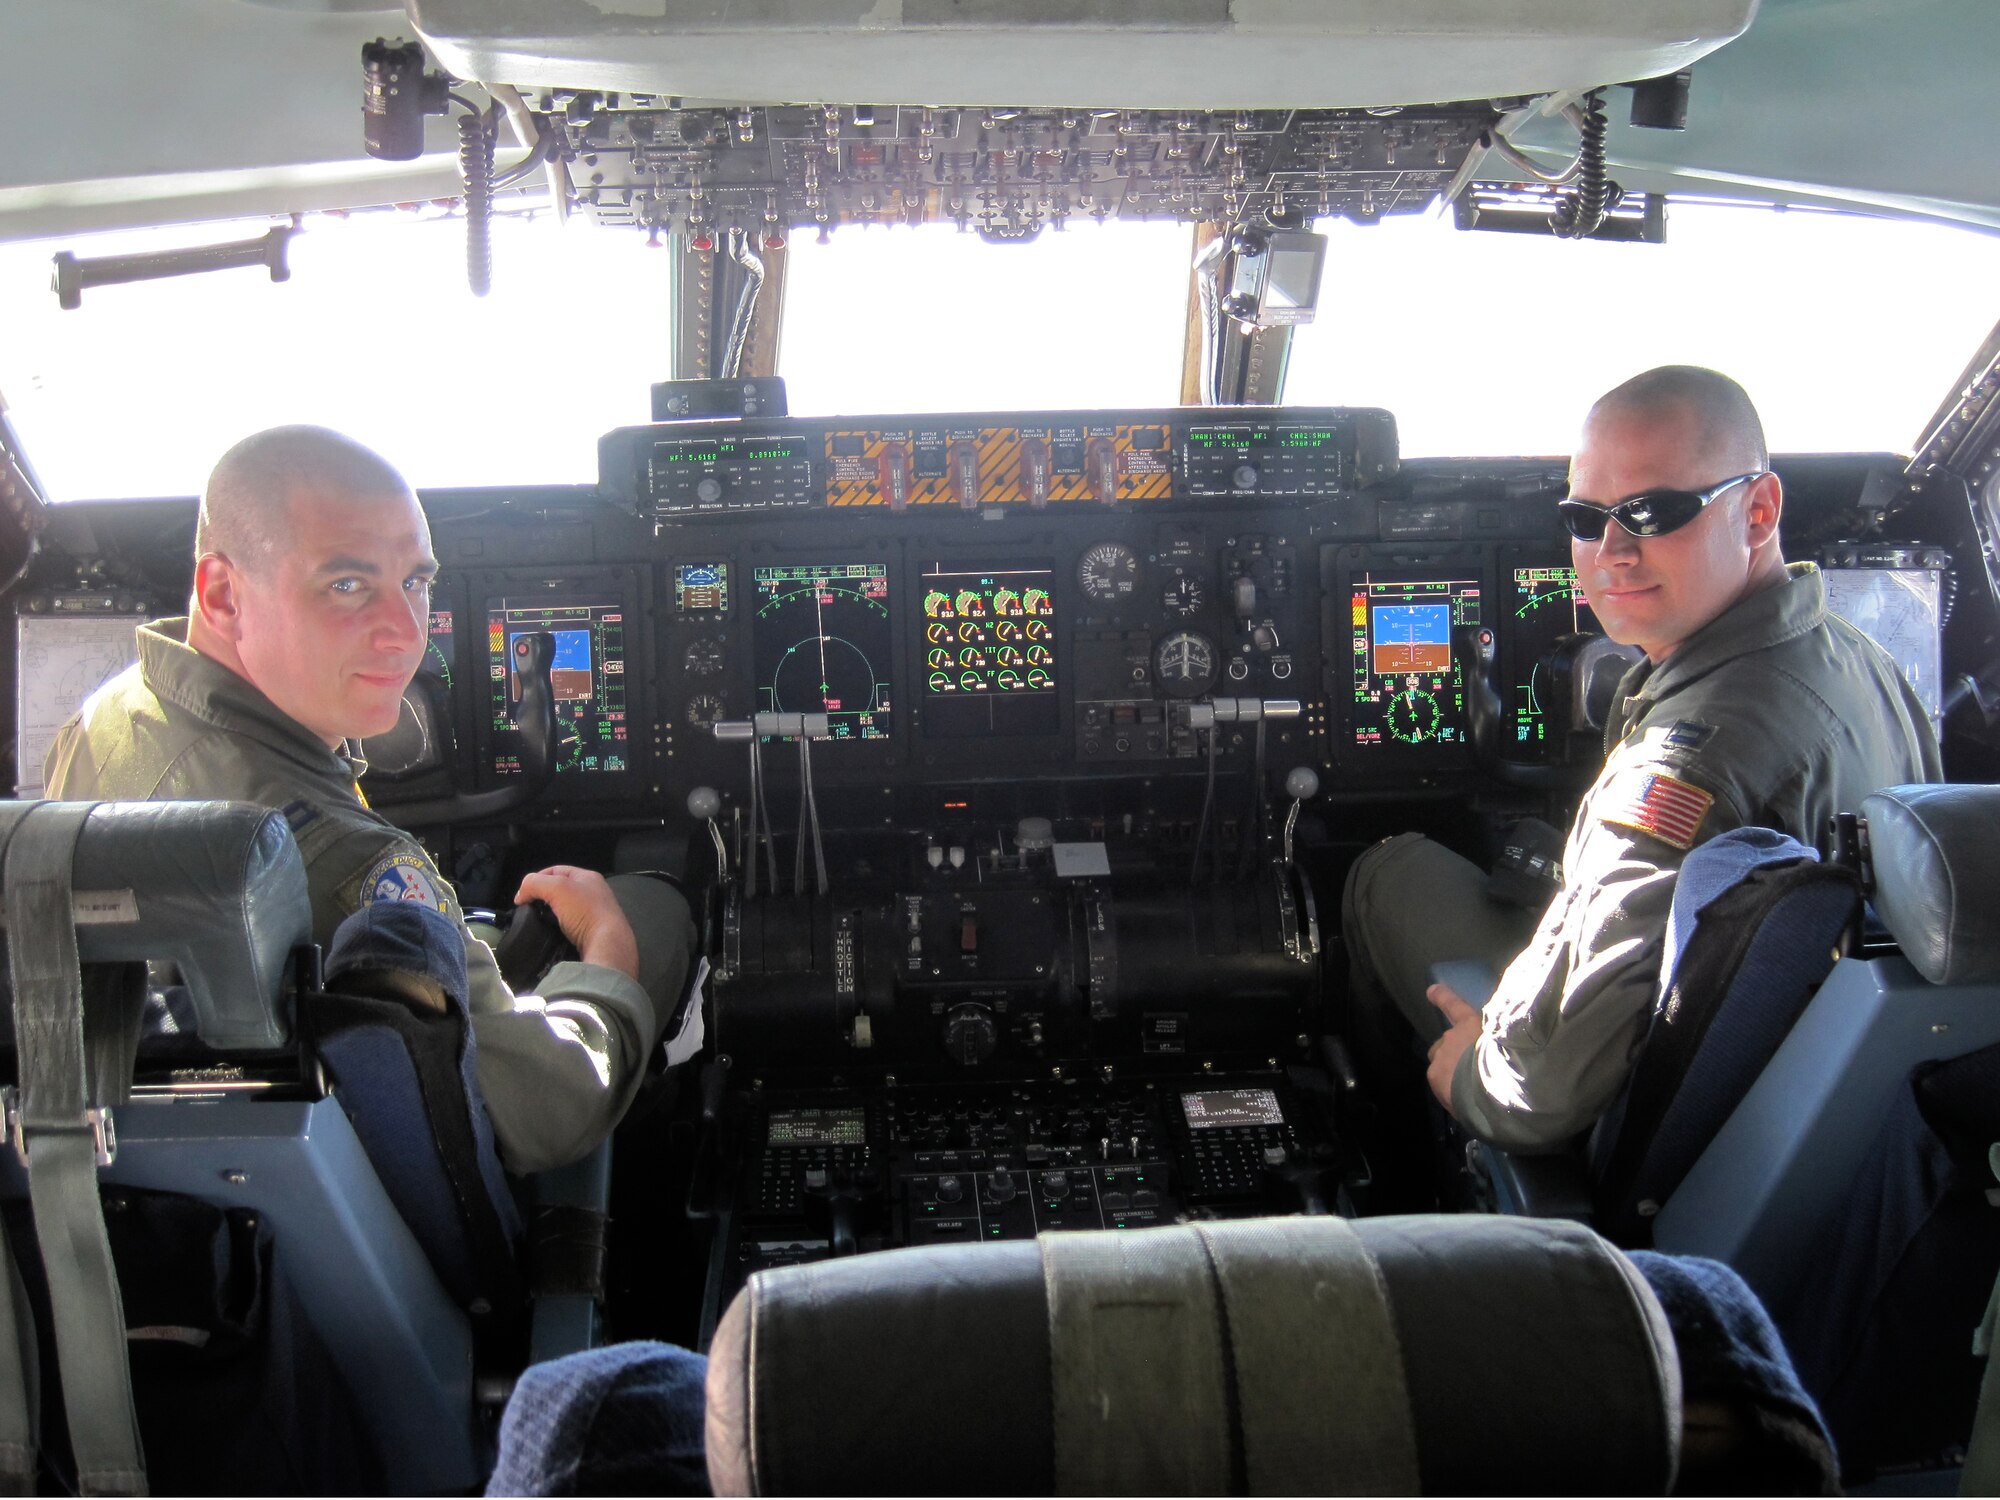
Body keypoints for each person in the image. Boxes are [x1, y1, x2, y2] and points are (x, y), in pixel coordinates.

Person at [44, 425, 697, 1175]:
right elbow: (550, 1102)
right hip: (398, 1197)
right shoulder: (337, 862)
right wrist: (609, 951)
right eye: (346, 585)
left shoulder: (111, 714)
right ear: (224, 595)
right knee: (654, 907)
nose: (402, 633)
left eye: (415, 582)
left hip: (180, 1171)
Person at [1343, 366, 1941, 1153]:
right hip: (1814, 1089)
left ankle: (1388, 1163)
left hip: (1672, 1126)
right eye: (1586, 518)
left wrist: (1471, 1080)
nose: (1612, 552)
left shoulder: (1685, 764)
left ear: (1758, 510)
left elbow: (1546, 1095)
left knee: (1389, 873)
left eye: (1654, 512)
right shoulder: (1862, 660)